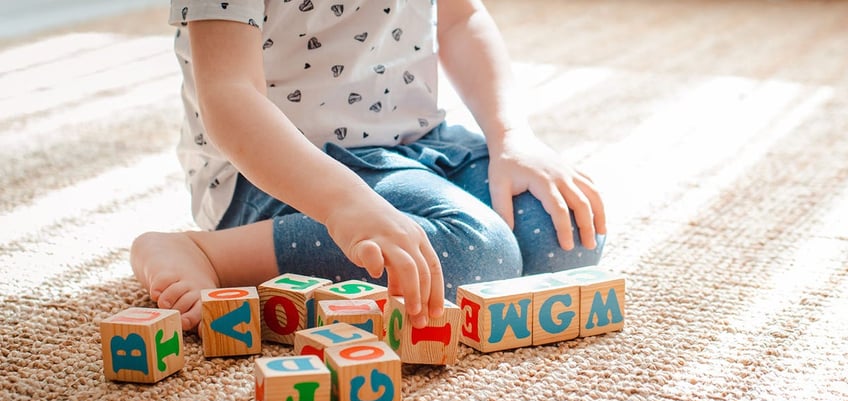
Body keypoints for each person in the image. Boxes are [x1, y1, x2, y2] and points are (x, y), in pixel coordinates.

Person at [131, 0, 607, 332]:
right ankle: (211, 253)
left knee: (561, 232)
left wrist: (511, 138)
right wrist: (344, 205)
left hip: (415, 146)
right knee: (481, 256)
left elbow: (462, 20)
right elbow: (230, 96)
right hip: (286, 173)